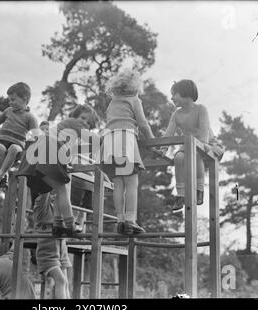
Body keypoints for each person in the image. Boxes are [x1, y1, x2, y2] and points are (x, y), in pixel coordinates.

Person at [16, 104, 100, 237]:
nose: (84, 122)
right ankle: (70, 225)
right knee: (62, 190)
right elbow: (93, 141)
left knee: (58, 189)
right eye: (83, 118)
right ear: (75, 116)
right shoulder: (74, 122)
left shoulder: (66, 129)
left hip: (37, 156)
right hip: (46, 151)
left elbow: (68, 151)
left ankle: (58, 224)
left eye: (89, 123)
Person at [99, 69, 155, 235]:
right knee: (131, 182)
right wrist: (152, 141)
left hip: (109, 140)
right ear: (135, 86)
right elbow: (143, 123)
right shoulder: (134, 100)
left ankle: (120, 220)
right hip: (125, 137)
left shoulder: (113, 102)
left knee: (118, 184)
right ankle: (131, 220)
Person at [161, 79, 211, 210]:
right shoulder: (176, 115)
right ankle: (181, 194)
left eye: (174, 94)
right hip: (186, 144)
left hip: (201, 142)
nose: (171, 98)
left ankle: (199, 189)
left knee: (197, 155)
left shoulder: (201, 109)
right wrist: (164, 147)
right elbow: (169, 132)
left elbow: (204, 128)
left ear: (185, 93)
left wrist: (203, 144)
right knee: (178, 158)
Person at [32, 190, 72, 299]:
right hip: (47, 252)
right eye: (52, 193)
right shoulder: (41, 206)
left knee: (66, 282)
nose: (54, 195)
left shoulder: (56, 208)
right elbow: (46, 191)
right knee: (61, 281)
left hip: (61, 249)